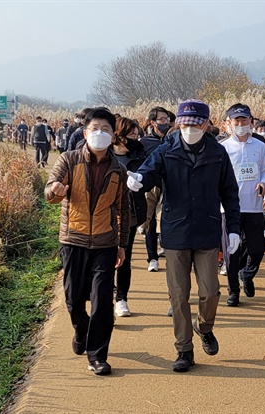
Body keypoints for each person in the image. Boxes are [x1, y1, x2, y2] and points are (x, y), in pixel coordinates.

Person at [126, 99, 240, 373]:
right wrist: (140, 180)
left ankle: (205, 327)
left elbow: (229, 192)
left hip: (207, 230)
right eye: (185, 122)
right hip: (176, 231)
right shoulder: (167, 150)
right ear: (178, 122)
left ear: (205, 123)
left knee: (210, 291)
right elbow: (150, 172)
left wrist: (234, 228)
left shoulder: (218, 153)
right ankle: (184, 350)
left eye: (195, 122)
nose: (190, 127)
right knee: (178, 295)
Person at [44, 107, 129, 376]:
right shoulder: (68, 160)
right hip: (73, 240)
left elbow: (123, 210)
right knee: (73, 299)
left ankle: (97, 355)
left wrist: (122, 244)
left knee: (103, 300)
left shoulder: (118, 169)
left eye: (106, 129)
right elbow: (51, 190)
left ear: (113, 135)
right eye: (95, 128)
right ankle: (81, 329)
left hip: (104, 243)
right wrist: (55, 191)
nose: (100, 133)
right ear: (85, 132)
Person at [221, 103, 265, 307]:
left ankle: (247, 274)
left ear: (251, 122)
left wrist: (263, 183)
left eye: (244, 120)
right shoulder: (223, 147)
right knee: (232, 252)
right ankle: (233, 291)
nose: (241, 124)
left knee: (257, 249)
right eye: (237, 121)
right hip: (230, 208)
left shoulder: (259, 146)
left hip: (254, 207)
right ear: (229, 123)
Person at [111, 117, 147, 317]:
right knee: (105, 258)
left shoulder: (139, 155)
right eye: (131, 135)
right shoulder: (105, 156)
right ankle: (106, 294)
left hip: (129, 214)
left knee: (124, 256)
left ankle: (121, 299)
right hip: (105, 215)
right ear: (118, 136)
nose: (135, 139)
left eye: (137, 135)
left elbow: (148, 177)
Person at [140, 106, 172, 272]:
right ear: (152, 122)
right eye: (161, 120)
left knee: (166, 220)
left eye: (167, 119)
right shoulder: (144, 143)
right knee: (150, 222)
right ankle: (152, 258)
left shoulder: (172, 140)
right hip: (151, 187)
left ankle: (166, 248)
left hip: (170, 185)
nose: (165, 122)